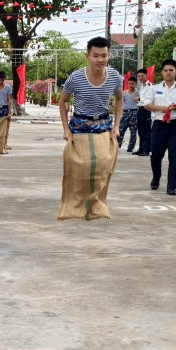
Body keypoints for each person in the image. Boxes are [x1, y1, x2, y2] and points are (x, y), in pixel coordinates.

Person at [57, 36, 123, 220]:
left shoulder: (115, 77)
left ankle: (98, 205)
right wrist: (65, 128)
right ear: (87, 56)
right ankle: (74, 205)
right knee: (80, 165)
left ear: (109, 56)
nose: (99, 60)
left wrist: (116, 126)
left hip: (103, 124)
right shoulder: (76, 77)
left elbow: (119, 99)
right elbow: (62, 102)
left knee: (103, 164)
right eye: (95, 56)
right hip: (80, 124)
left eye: (104, 55)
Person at [143, 58, 176, 195]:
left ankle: (171, 186)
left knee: (175, 157)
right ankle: (156, 178)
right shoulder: (154, 88)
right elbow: (147, 104)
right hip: (159, 125)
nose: (168, 72)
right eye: (166, 70)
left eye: (171, 70)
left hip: (175, 126)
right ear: (162, 73)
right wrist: (160, 108)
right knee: (156, 156)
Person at [118, 74, 140, 152]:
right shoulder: (124, 93)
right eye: (129, 83)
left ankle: (130, 147)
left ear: (135, 84)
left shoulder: (138, 93)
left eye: (132, 83)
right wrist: (121, 111)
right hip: (125, 113)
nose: (130, 85)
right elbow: (120, 102)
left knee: (133, 131)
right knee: (120, 130)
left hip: (134, 113)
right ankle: (117, 146)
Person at [133, 68, 152, 155]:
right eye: (139, 76)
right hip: (140, 109)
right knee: (140, 131)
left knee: (146, 130)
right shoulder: (142, 87)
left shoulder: (150, 86)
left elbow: (149, 99)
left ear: (146, 76)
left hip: (146, 109)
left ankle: (146, 150)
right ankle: (141, 149)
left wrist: (139, 99)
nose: (140, 78)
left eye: (142, 76)